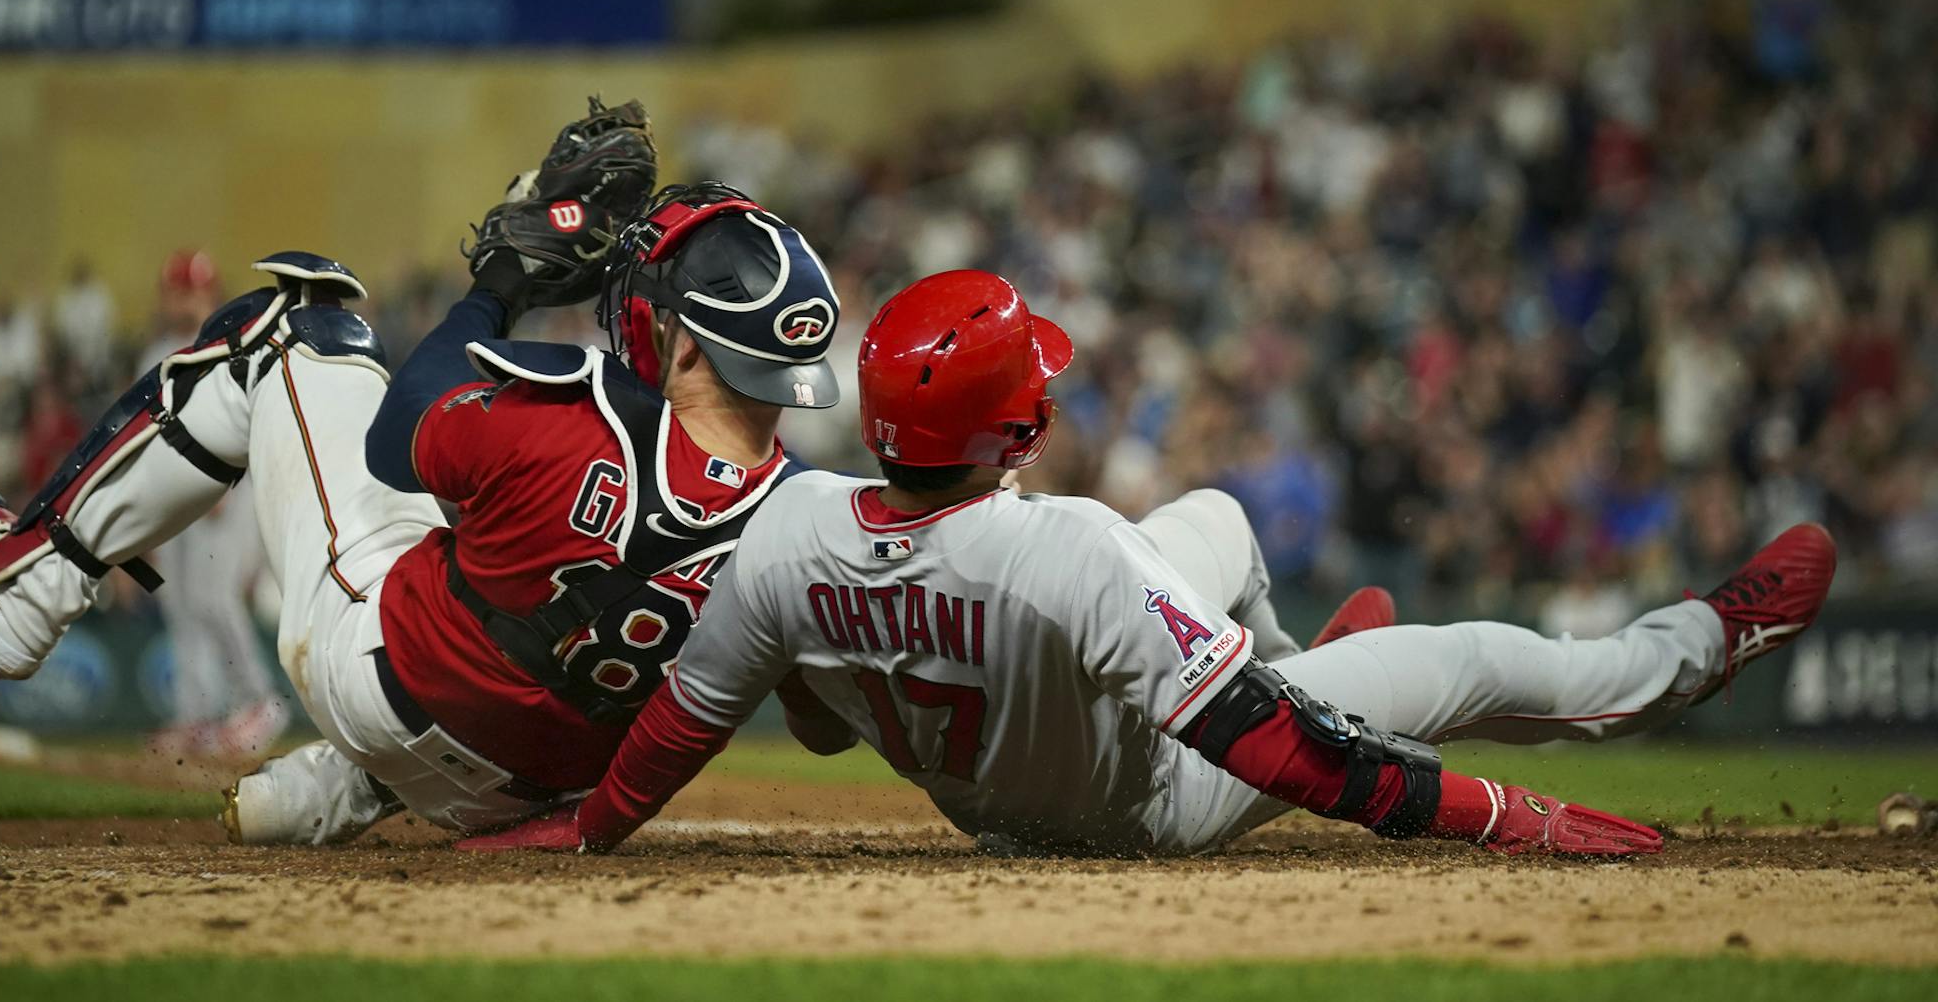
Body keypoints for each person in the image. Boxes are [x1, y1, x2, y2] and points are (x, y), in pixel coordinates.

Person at [464, 270, 1837, 859]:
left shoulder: (790, 524)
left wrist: (584, 828)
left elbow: (673, 736)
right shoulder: (1074, 551)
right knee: (1474, 656)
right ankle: (1696, 650)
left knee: (1220, 515)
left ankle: (1290, 649)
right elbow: (1291, 762)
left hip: (990, 764)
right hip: (1144, 799)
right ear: (1023, 422)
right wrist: (1499, 811)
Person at [0, 101, 842, 844]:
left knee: (293, 328)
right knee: (518, 598)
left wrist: (497, 285)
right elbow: (824, 732)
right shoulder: (807, 516)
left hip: (385, 686)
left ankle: (26, 582)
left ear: (683, 348)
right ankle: (338, 792)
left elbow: (395, 438)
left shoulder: (585, 408)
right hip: (537, 790)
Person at [133, 250, 289, 761]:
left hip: (224, 490)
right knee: (179, 606)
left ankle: (261, 702)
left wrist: (225, 482)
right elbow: (144, 436)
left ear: (211, 294)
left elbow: (245, 423)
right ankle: (196, 716)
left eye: (195, 290)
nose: (186, 299)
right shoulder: (154, 351)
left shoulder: (229, 346)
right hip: (170, 496)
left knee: (215, 599)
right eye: (178, 290)